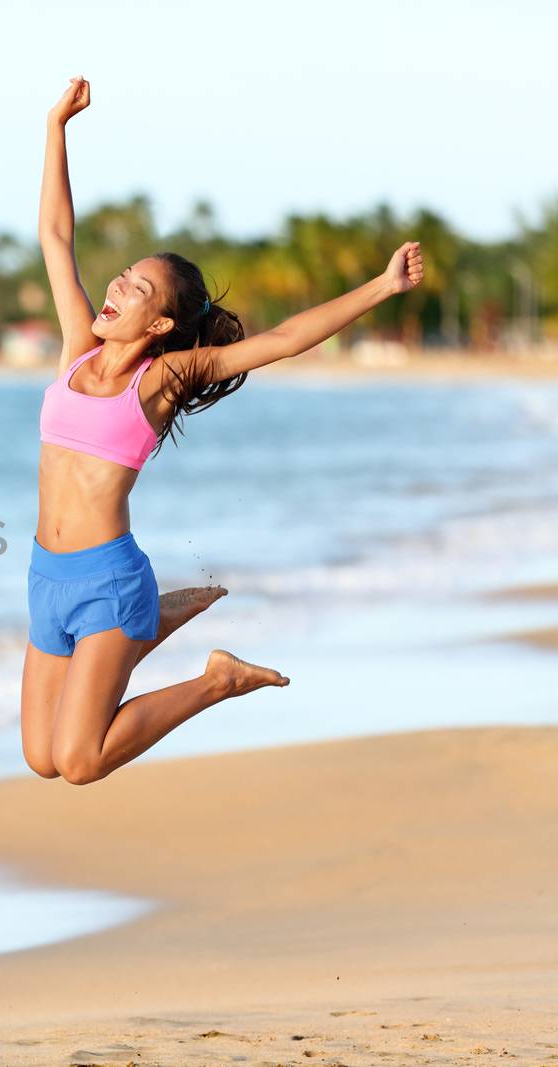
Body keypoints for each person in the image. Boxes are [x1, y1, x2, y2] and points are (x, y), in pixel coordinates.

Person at [24, 76, 425, 785]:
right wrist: (57, 126)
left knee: (79, 760)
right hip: (46, 576)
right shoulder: (75, 350)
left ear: (163, 326)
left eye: (136, 291)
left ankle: (217, 679)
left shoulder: (162, 382)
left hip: (108, 580)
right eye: (121, 279)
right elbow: (56, 234)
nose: (115, 290)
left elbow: (285, 340)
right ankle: (166, 614)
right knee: (39, 758)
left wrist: (382, 286)